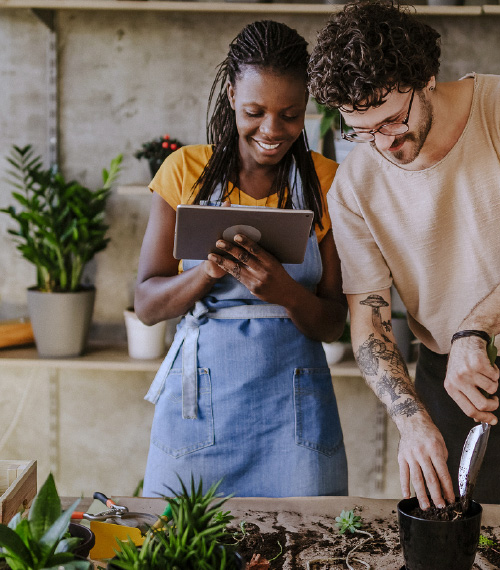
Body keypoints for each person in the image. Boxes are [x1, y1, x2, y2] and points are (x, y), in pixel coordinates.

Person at [307, 0, 500, 510]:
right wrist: (411, 419)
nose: (382, 145)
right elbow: (370, 321)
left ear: (426, 76)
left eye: (390, 122)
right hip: (449, 392)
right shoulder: (353, 187)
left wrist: (477, 328)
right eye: (359, 131)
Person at [135, 20, 348, 498]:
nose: (272, 130)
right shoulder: (185, 172)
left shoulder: (327, 182)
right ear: (231, 95)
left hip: (292, 417)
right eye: (255, 111)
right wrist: (207, 274)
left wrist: (285, 292)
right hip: (202, 415)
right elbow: (148, 305)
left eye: (291, 115)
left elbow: (333, 322)